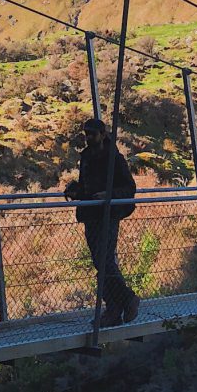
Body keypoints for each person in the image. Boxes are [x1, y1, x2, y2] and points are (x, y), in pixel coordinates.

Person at [64, 119, 140, 327]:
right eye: (86, 133)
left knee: (104, 261)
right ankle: (117, 306)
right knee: (101, 262)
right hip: (90, 214)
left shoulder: (114, 158)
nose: (88, 137)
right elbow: (87, 188)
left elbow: (129, 187)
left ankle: (122, 302)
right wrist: (75, 191)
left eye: (92, 134)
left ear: (103, 134)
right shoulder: (87, 157)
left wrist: (108, 195)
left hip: (107, 214)